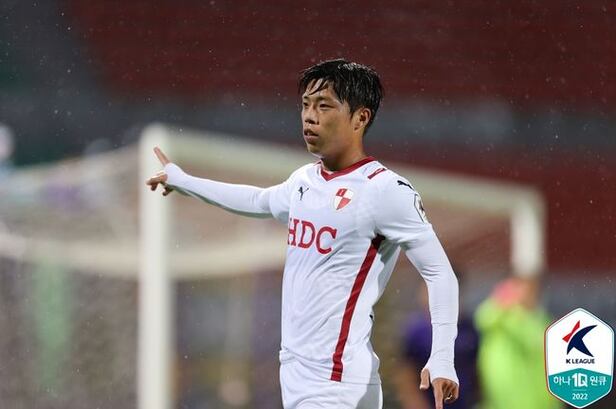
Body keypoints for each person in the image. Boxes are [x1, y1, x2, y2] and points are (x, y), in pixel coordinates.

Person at [146, 59, 459, 409]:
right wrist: (184, 181)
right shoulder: (304, 181)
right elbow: (258, 200)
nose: (309, 116)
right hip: (297, 375)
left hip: (337, 382)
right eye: (306, 105)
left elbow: (439, 273)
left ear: (360, 118)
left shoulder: (385, 190)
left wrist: (442, 357)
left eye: (324, 106)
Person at [396, 269, 479, 409]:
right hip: (429, 403)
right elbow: (406, 374)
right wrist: (415, 403)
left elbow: (476, 370)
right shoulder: (416, 331)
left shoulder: (469, 328)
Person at [474, 276, 562, 409]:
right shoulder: (499, 317)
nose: (524, 294)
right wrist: (498, 302)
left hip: (537, 399)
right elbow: (482, 319)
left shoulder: (542, 321)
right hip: (502, 399)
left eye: (530, 290)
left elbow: (535, 342)